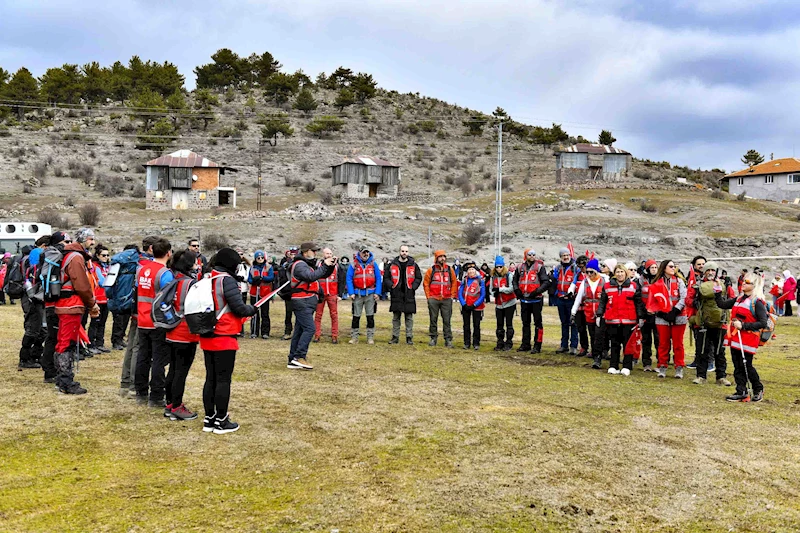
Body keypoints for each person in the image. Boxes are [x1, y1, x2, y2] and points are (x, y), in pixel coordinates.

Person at [201, 248, 257, 433]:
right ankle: (222, 420)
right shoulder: (227, 280)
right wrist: (252, 309)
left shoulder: (208, 277)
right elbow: (239, 308)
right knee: (223, 380)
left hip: (208, 334)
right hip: (224, 335)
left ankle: (209, 418)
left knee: (211, 378)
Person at [53, 232, 99, 394]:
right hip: (71, 305)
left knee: (64, 341)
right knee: (67, 342)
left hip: (66, 304)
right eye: (90, 239)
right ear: (82, 240)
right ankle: (65, 381)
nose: (93, 242)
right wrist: (92, 303)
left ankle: (61, 379)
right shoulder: (76, 258)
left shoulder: (69, 255)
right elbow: (82, 285)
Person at [133, 237, 175, 407]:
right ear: (168, 253)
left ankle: (140, 392)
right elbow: (168, 298)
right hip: (157, 321)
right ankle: (157, 395)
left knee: (143, 357)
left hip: (142, 319)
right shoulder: (164, 273)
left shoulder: (141, 270)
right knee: (158, 359)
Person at [714, 272, 767, 402]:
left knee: (746, 365)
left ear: (754, 285)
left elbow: (762, 323)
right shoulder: (739, 298)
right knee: (737, 365)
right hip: (735, 337)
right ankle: (741, 390)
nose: (743, 283)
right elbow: (722, 304)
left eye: (747, 282)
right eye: (743, 281)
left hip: (748, 339)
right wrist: (717, 290)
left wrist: (743, 325)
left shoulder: (757, 302)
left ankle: (758, 388)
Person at [163, 249, 201, 421]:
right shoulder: (191, 283)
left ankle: (170, 403)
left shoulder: (174, 279)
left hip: (172, 329)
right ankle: (177, 406)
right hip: (185, 332)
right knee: (181, 371)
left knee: (173, 369)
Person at [287, 242, 336, 370]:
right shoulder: (300, 265)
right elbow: (311, 277)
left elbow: (321, 275)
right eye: (313, 251)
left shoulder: (306, 265)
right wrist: (325, 265)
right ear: (306, 252)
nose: (315, 253)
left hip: (306, 301)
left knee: (300, 330)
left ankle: (293, 359)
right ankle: (299, 356)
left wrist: (330, 266)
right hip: (302, 301)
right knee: (310, 329)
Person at [596, 263, 644, 376]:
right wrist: (599, 314)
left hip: (629, 320)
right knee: (614, 344)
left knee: (628, 345)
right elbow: (603, 301)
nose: (620, 274)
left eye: (622, 272)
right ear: (614, 273)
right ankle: (614, 365)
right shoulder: (607, 286)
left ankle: (627, 366)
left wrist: (641, 317)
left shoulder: (634, 286)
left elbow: (639, 303)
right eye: (617, 272)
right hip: (612, 320)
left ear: (625, 273)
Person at [690, 261, 732, 386]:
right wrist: (695, 301)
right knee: (702, 350)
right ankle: (701, 376)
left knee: (720, 351)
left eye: (713, 270)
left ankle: (721, 377)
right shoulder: (697, 285)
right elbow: (688, 299)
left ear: (716, 271)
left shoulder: (725, 284)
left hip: (720, 322)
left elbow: (732, 298)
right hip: (703, 322)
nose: (710, 273)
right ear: (704, 272)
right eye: (708, 270)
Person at [650, 259, 688, 379]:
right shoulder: (656, 283)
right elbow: (652, 301)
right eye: (671, 266)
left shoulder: (679, 281)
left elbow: (684, 297)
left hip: (678, 316)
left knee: (678, 344)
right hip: (662, 317)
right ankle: (662, 366)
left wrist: (675, 310)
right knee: (663, 343)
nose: (673, 268)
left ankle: (679, 367)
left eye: (674, 266)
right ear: (664, 268)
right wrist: (661, 313)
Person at [513, 249, 550, 354]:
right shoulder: (520, 267)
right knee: (525, 323)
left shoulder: (539, 267)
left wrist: (537, 291)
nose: (532, 256)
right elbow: (514, 280)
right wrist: (517, 291)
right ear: (526, 255)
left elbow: (546, 282)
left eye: (534, 254)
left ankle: (537, 345)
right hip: (524, 299)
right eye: (530, 254)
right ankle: (525, 344)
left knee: (538, 323)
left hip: (536, 300)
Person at [571, 258, 606, 369]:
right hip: (589, 312)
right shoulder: (584, 282)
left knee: (600, 335)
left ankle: (600, 354)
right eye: (587, 272)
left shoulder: (605, 280)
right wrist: (573, 311)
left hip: (602, 313)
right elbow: (578, 298)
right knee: (592, 335)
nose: (589, 274)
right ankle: (596, 357)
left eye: (592, 272)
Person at [384, 245, 422, 345]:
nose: (404, 253)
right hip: (396, 294)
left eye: (406, 251)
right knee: (396, 317)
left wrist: (413, 287)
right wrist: (391, 286)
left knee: (409, 317)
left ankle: (409, 337)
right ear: (399, 252)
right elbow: (386, 277)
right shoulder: (392, 264)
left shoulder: (413, 264)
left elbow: (418, 277)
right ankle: (395, 337)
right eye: (402, 251)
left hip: (409, 294)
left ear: (408, 253)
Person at [346, 246, 382, 345]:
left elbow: (379, 278)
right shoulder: (353, 265)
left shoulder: (373, 264)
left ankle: (370, 337)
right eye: (363, 252)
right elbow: (349, 279)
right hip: (357, 294)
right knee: (356, 316)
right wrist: (351, 292)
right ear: (359, 253)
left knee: (370, 316)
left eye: (367, 252)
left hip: (370, 294)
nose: (365, 254)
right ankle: (354, 337)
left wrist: (377, 292)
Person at [423, 250, 458, 348]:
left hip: (446, 299)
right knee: (433, 319)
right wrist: (428, 297)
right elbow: (426, 283)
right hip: (433, 298)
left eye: (444, 256)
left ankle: (448, 339)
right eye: (440, 256)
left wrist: (452, 295)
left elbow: (454, 282)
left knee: (447, 320)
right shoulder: (431, 270)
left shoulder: (449, 270)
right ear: (436, 258)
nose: (442, 258)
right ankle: (433, 338)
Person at [314, 247, 345, 343]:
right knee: (318, 315)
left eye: (330, 254)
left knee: (334, 315)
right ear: (323, 255)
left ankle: (334, 335)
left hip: (332, 293)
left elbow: (341, 280)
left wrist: (340, 294)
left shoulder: (337, 266)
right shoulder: (318, 265)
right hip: (320, 293)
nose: (329, 255)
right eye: (327, 254)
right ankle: (317, 335)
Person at [551, 248, 580, 354]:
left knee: (573, 323)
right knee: (564, 323)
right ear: (560, 257)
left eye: (567, 255)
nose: (566, 257)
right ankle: (564, 345)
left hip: (571, 299)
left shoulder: (576, 268)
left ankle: (573, 346)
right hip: (560, 299)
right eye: (563, 255)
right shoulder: (558, 268)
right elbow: (554, 281)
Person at [685, 255, 708, 371]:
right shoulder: (691, 279)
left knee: (708, 340)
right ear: (694, 266)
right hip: (695, 314)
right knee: (697, 338)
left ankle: (709, 361)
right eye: (699, 264)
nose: (701, 266)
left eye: (703, 264)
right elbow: (688, 297)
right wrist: (694, 302)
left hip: (708, 314)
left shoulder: (711, 279)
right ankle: (698, 360)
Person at [87, 244, 111, 354]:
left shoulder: (108, 267)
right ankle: (91, 343)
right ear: (97, 255)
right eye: (103, 255)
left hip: (106, 298)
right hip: (97, 298)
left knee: (103, 322)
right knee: (94, 322)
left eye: (107, 255)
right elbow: (102, 282)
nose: (106, 257)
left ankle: (100, 343)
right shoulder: (95, 267)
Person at [491, 255, 517, 351]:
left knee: (509, 323)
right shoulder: (493, 277)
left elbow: (511, 288)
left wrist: (500, 289)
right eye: (497, 267)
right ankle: (500, 342)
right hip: (499, 303)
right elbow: (491, 289)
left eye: (500, 266)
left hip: (509, 302)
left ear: (503, 266)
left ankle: (509, 342)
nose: (498, 269)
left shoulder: (509, 275)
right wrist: (494, 292)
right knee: (499, 324)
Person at [638, 259, 660, 371]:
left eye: (655, 267)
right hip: (646, 314)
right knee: (646, 340)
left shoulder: (661, 279)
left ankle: (661, 363)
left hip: (658, 315)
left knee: (659, 340)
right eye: (652, 267)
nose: (654, 269)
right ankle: (646, 363)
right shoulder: (641, 280)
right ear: (647, 269)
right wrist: (642, 314)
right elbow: (638, 297)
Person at [458, 261, 485, 350]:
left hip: (477, 307)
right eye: (469, 270)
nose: (471, 271)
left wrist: (475, 304)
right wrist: (464, 304)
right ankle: (466, 343)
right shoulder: (464, 280)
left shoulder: (480, 280)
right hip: (466, 306)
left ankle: (476, 343)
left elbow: (482, 294)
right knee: (466, 325)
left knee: (476, 325)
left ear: (476, 270)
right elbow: (460, 293)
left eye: (472, 269)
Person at [248, 250, 274, 339]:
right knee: (254, 313)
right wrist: (254, 280)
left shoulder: (268, 267)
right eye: (258, 258)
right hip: (255, 293)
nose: (260, 259)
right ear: (255, 258)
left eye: (262, 257)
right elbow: (249, 279)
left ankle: (265, 332)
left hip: (265, 292)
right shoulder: (252, 268)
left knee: (265, 313)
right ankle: (254, 331)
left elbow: (271, 277)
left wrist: (262, 278)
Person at [278, 247, 298, 340]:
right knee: (288, 313)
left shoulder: (301, 265)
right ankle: (287, 331)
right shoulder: (285, 265)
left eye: (295, 254)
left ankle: (298, 332)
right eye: (292, 254)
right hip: (289, 292)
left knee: (299, 314)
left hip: (299, 292)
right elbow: (281, 278)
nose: (293, 256)